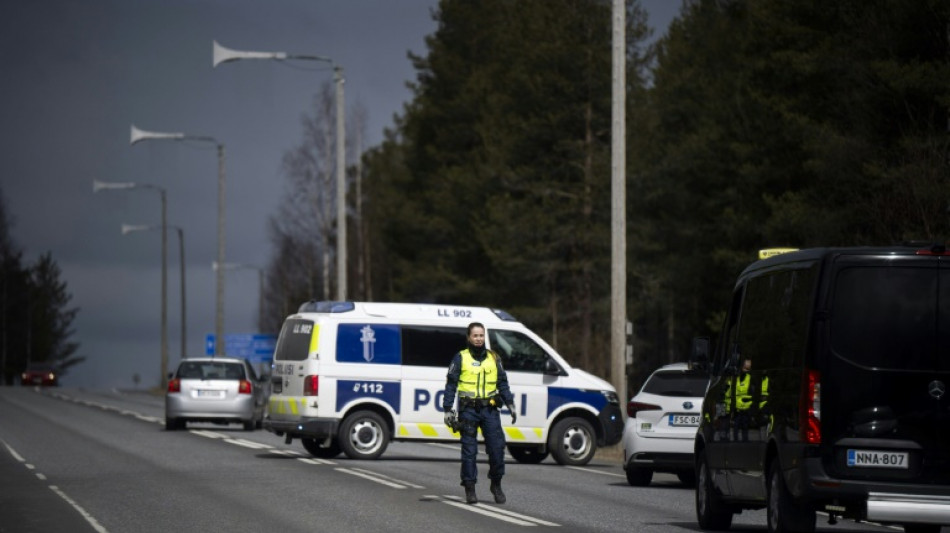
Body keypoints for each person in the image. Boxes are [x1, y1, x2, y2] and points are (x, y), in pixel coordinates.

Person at [443, 322, 516, 504]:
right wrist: (447, 409)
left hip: (490, 410)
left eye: (481, 335)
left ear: (485, 337)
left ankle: (496, 484)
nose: (478, 339)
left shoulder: (494, 358)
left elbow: (502, 383)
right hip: (468, 410)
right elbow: (451, 384)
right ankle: (470, 488)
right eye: (475, 335)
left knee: (497, 449)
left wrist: (510, 403)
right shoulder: (460, 357)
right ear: (469, 337)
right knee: (469, 452)